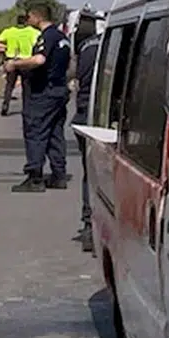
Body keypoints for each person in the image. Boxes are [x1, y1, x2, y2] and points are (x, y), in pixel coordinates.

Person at [3, 3, 71, 192]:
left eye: (29, 17)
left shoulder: (46, 37)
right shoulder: (62, 38)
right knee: (55, 133)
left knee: (36, 132)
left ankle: (34, 177)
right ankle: (59, 174)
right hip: (59, 90)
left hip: (43, 93)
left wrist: (15, 64)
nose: (28, 20)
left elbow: (39, 60)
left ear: (36, 16)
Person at [69, 14, 104, 252]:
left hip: (84, 116)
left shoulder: (84, 47)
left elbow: (72, 75)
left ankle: (90, 225)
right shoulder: (112, 44)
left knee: (89, 174)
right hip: (105, 120)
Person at [0, 14, 40, 116]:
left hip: (11, 60)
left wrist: (3, 52)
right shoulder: (33, 32)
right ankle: (27, 108)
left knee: (9, 85)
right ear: (26, 22)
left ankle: (5, 105)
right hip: (26, 62)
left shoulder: (8, 31)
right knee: (26, 86)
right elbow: (39, 42)